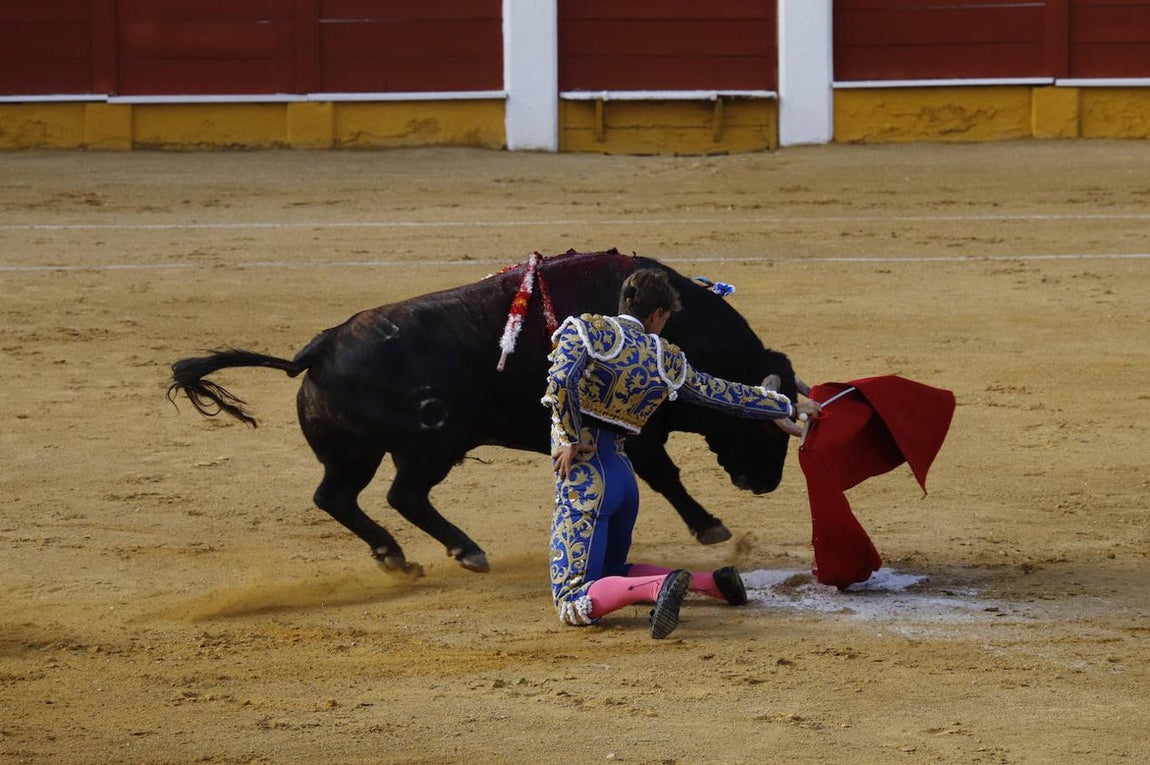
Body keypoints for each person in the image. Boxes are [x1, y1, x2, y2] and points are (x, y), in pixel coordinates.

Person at [542, 269, 822, 638]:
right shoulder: (666, 359)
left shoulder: (586, 331)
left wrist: (567, 435)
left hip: (586, 478)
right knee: (609, 572)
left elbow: (561, 381)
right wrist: (784, 405)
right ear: (657, 315)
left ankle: (660, 587)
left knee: (571, 600)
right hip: (623, 478)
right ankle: (712, 583)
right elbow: (723, 395)